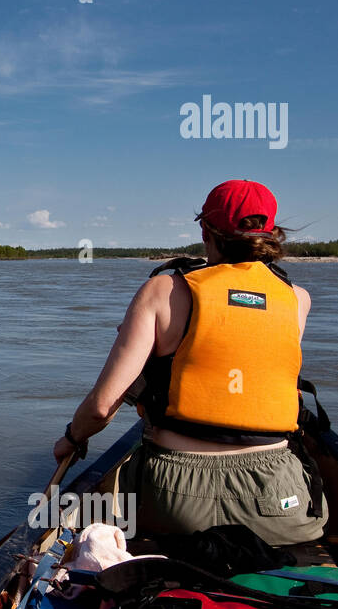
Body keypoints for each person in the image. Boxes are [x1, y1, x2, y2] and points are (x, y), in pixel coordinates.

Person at [52, 180, 322, 547]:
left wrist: (71, 439)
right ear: (271, 233)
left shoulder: (164, 291)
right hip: (278, 496)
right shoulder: (297, 300)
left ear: (204, 230)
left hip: (176, 495)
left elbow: (102, 408)